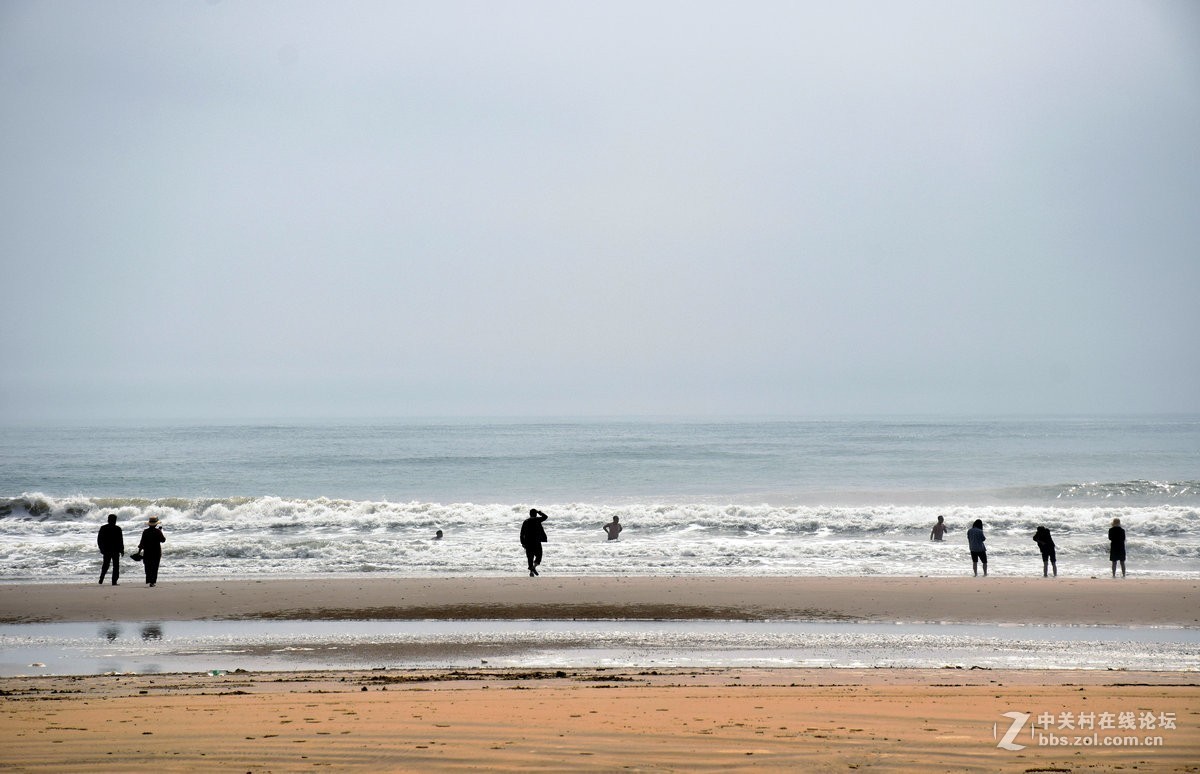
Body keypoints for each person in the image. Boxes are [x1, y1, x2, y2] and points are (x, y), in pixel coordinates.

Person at [138, 516, 166, 587]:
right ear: (156, 524)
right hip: (156, 552)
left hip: (147, 552)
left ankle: (149, 580)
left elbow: (142, 543)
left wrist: (139, 552)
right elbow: (163, 540)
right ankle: (152, 582)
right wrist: (161, 531)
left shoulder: (145, 531)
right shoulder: (158, 531)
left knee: (148, 567)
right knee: (155, 567)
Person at [97, 513, 124, 586]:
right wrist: (122, 550)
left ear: (108, 520)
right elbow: (120, 541)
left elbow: (99, 540)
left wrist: (101, 548)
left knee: (105, 565)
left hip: (107, 550)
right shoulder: (118, 529)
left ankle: (101, 579)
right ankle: (114, 581)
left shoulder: (103, 528)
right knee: (116, 566)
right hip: (115, 550)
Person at [520, 508, 549, 577]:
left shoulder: (526, 521)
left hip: (528, 542)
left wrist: (523, 543)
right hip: (536, 542)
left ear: (530, 514)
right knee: (539, 556)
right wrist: (540, 512)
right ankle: (533, 567)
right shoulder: (537, 519)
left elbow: (522, 533)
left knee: (530, 557)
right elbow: (545, 517)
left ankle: (531, 571)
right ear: (536, 514)